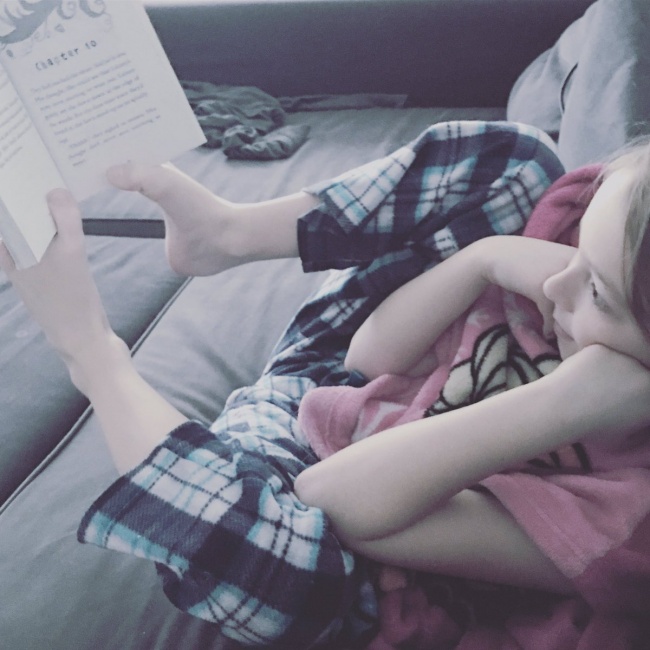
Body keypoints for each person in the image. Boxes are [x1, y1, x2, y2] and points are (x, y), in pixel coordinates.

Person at [3, 121, 650, 648]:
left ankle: (90, 353)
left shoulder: (629, 521)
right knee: (516, 161)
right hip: (345, 386)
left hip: (330, 502)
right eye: (576, 255)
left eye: (597, 290)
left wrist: (562, 402)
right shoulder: (567, 274)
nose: (554, 280)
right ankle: (227, 232)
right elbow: (365, 361)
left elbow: (331, 499)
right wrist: (484, 259)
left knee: (274, 575)